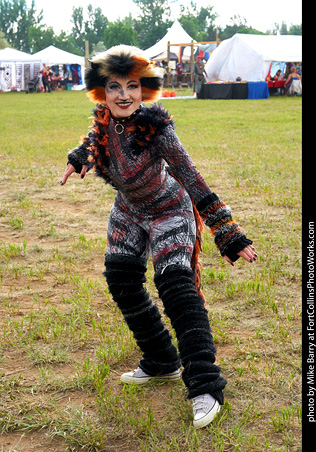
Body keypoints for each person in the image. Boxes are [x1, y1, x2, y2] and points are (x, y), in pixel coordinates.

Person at [60, 45, 257, 429]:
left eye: (132, 86)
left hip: (170, 208)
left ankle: (205, 385)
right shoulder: (102, 119)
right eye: (114, 87)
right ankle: (162, 360)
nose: (123, 95)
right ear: (102, 91)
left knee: (175, 285)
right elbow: (92, 141)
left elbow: (191, 176)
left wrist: (227, 232)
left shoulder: (157, 128)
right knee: (120, 279)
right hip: (129, 211)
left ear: (144, 89)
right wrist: (78, 158)